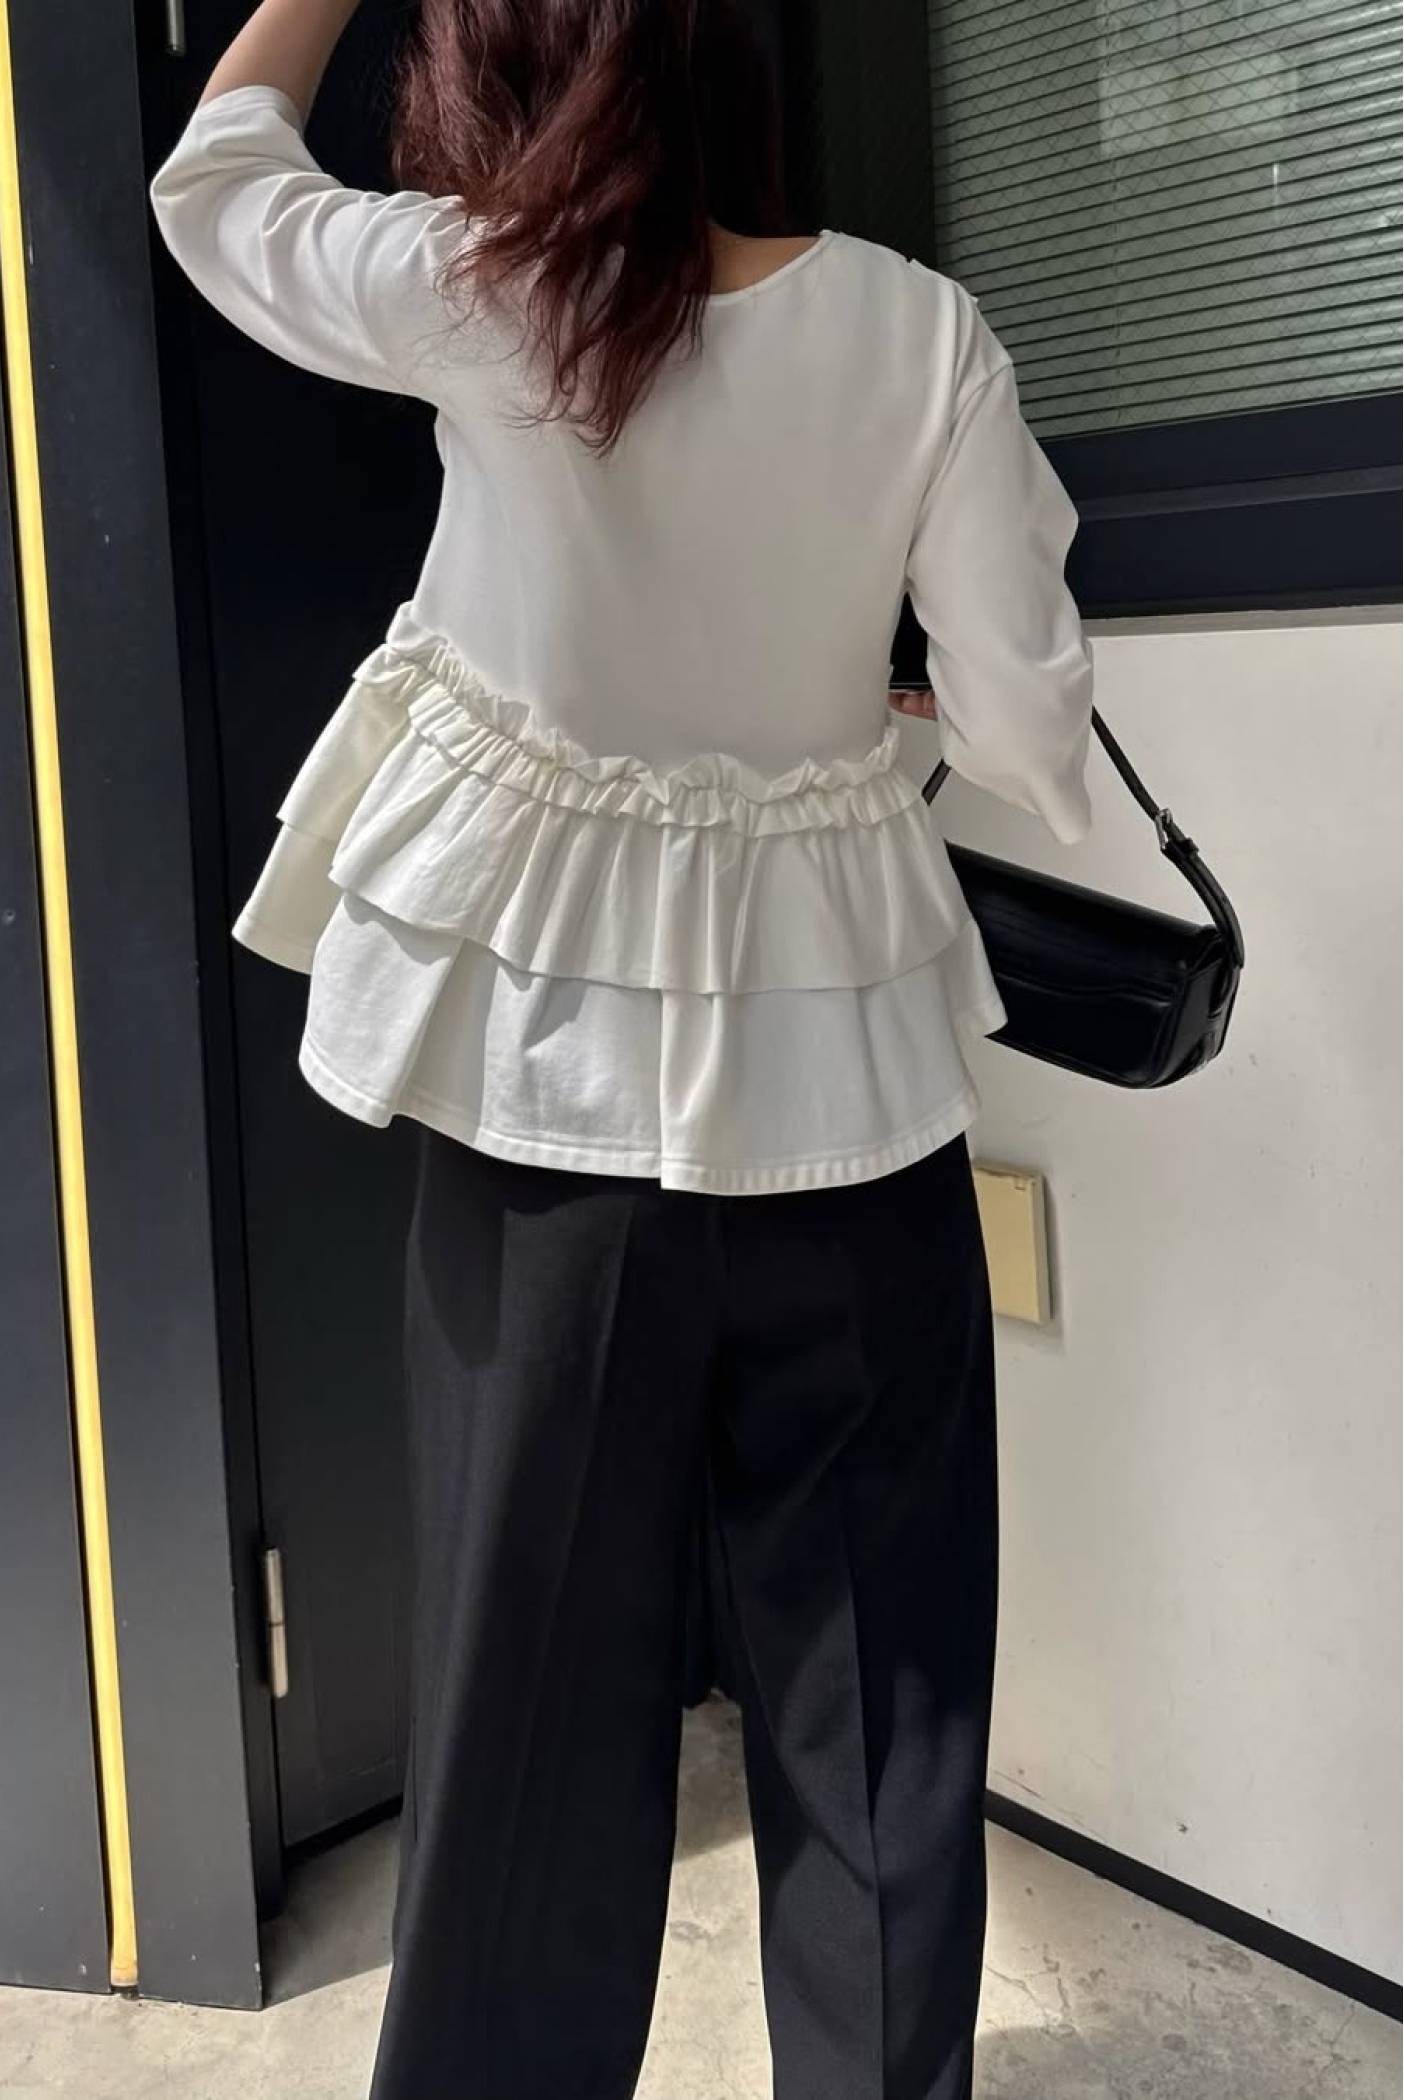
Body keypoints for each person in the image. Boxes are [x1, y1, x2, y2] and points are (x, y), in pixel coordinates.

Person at [150, 3, 1094, 2094]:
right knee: (881, 1713)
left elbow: (216, 196)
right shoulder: (918, 331)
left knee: (525, 1729)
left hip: (545, 1137)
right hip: (851, 1124)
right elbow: (1032, 729)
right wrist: (903, 713)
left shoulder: (487, 290)